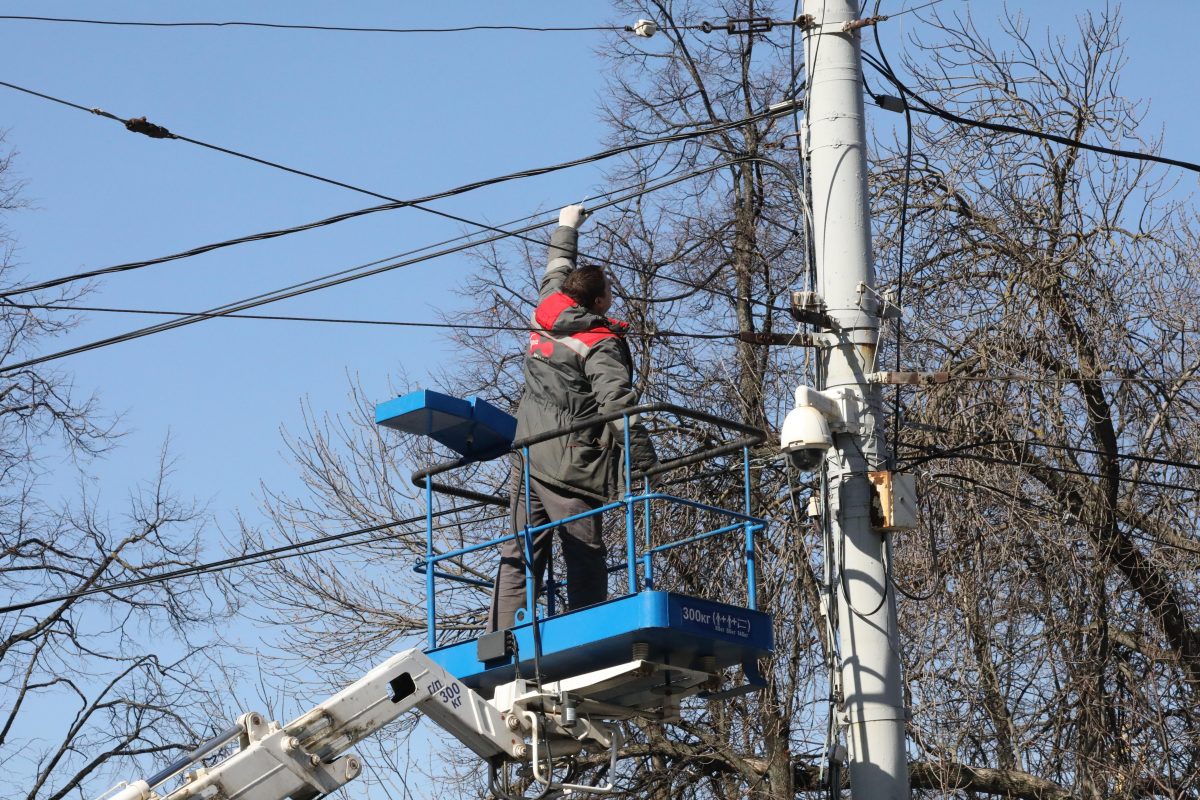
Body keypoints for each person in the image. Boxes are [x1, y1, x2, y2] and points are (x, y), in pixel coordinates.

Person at [487, 204, 658, 632]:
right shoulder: (599, 343)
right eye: (609, 295)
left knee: (521, 552)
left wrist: (567, 226)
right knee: (584, 551)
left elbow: (556, 266)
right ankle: (587, 631)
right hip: (571, 462)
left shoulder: (547, 310)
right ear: (599, 301)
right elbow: (616, 403)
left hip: (526, 454)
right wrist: (644, 460)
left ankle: (501, 640)